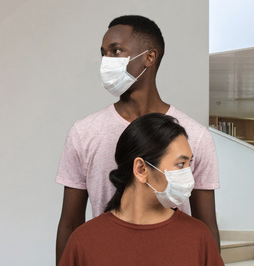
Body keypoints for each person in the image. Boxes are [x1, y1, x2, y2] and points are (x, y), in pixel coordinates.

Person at [56, 15, 220, 265]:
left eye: (116, 51)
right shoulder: (84, 133)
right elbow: (69, 223)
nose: (106, 62)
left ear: (149, 57)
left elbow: (206, 225)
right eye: (104, 53)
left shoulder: (194, 136)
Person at [59, 113, 224, 266]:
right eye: (180, 164)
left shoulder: (198, 238)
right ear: (141, 169)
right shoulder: (84, 242)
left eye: (189, 164)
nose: (188, 175)